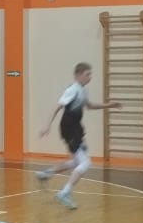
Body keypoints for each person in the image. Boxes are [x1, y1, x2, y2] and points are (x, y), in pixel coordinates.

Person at [37, 62, 121, 209]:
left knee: (76, 162)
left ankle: (46, 173)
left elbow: (89, 106)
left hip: (76, 129)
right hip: (69, 129)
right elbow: (57, 107)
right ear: (78, 75)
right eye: (87, 74)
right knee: (85, 163)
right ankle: (64, 192)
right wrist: (47, 125)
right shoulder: (72, 89)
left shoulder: (83, 90)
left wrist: (110, 105)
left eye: (90, 74)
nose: (90, 77)